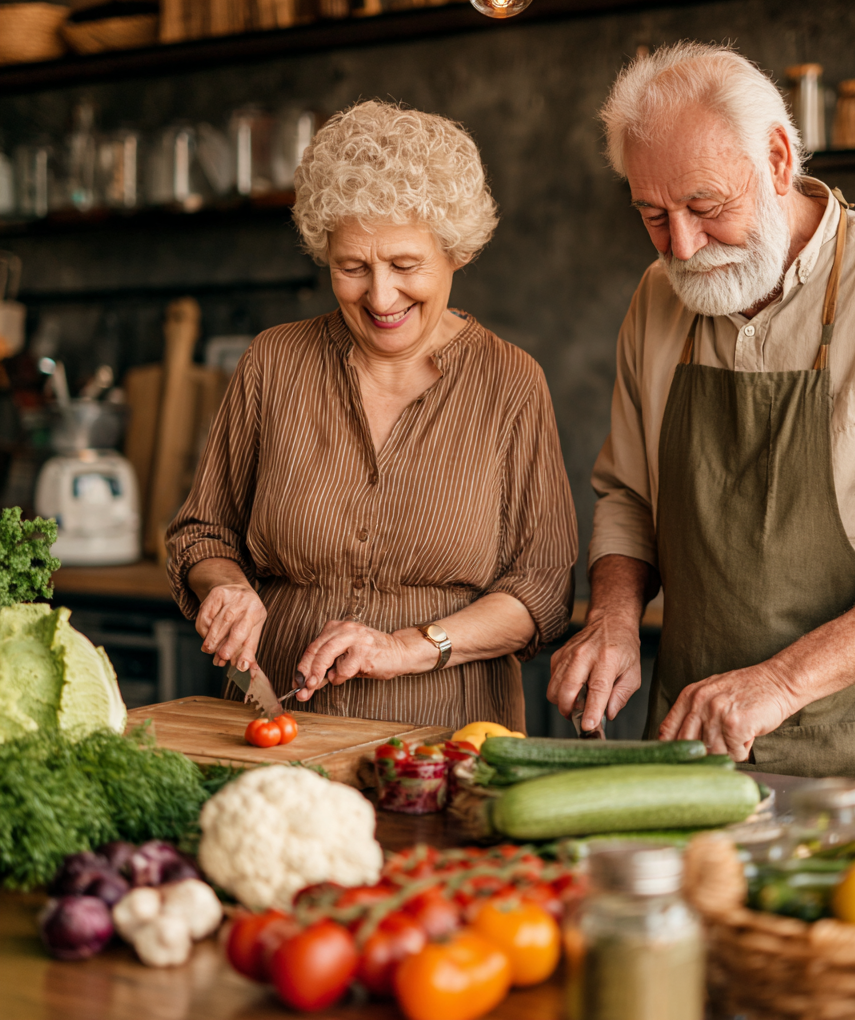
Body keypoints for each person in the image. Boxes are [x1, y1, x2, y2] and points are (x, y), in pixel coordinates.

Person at [548, 42, 855, 787]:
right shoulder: (657, 299)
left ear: (776, 157)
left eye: (705, 207)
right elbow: (629, 499)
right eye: (654, 216)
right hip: (690, 749)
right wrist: (611, 618)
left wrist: (782, 682)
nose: (684, 246)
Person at [166, 100, 577, 731]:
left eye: (406, 266)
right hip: (277, 730)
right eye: (351, 268)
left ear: (455, 253)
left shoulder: (510, 382)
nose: (380, 296)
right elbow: (203, 534)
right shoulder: (274, 363)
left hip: (445, 738)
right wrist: (224, 585)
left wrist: (406, 647)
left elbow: (543, 592)